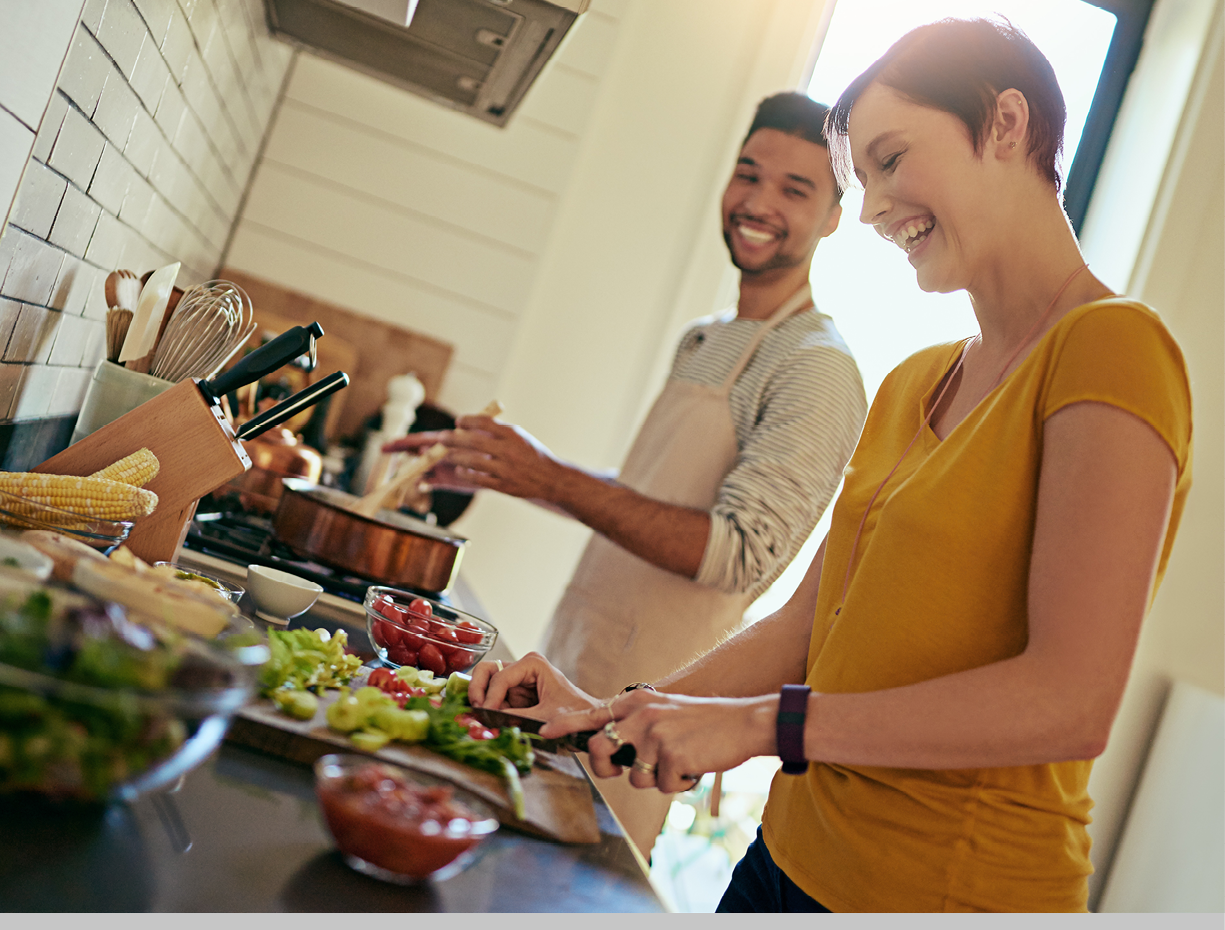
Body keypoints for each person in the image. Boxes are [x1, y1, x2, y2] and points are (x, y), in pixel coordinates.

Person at [464, 17, 1193, 913]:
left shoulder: (1112, 348)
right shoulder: (913, 381)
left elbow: (1069, 701)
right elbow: (805, 629)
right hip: (788, 862)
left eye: (890, 160)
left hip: (948, 895)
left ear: (1006, 125)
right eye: (865, 180)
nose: (877, 209)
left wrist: (760, 726)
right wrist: (609, 714)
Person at [387, 94, 868, 858]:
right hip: (567, 667)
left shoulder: (817, 369)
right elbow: (656, 496)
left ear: (836, 216)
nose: (757, 202)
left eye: (794, 189)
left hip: (639, 726)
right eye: (747, 174)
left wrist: (551, 476)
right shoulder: (705, 339)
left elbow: (736, 553)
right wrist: (519, 469)